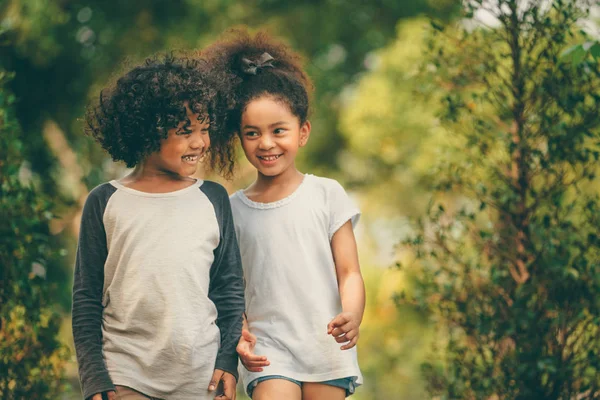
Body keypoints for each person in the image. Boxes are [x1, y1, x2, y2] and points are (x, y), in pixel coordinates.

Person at [203, 31, 365, 400]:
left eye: (279, 130)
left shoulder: (326, 193)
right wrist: (238, 330)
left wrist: (352, 316)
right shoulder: (231, 208)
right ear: (239, 138)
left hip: (326, 343)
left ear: (302, 132)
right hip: (267, 350)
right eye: (252, 133)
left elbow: (350, 272)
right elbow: (229, 286)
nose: (266, 143)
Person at [72, 53, 244, 400]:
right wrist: (95, 378)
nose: (200, 142)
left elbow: (228, 289)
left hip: (201, 378)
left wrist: (228, 359)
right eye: (186, 132)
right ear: (147, 130)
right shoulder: (105, 201)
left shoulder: (213, 198)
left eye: (205, 129)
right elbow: (87, 298)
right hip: (126, 375)